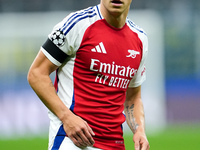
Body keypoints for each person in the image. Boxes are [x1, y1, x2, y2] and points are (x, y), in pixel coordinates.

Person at [27, 0, 150, 150]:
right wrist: (67, 118)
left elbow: (133, 97)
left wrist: (139, 131)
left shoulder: (140, 39)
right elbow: (36, 73)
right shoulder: (77, 24)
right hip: (72, 139)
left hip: (114, 143)